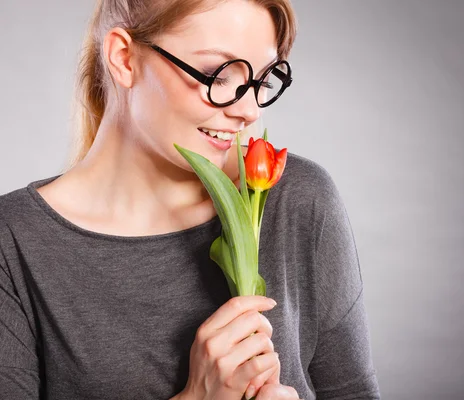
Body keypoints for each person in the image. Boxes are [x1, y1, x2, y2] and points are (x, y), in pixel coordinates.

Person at [0, 0, 380, 399]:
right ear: (124, 59)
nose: (249, 110)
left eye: (263, 82)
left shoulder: (295, 198)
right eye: (219, 74)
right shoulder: (14, 243)